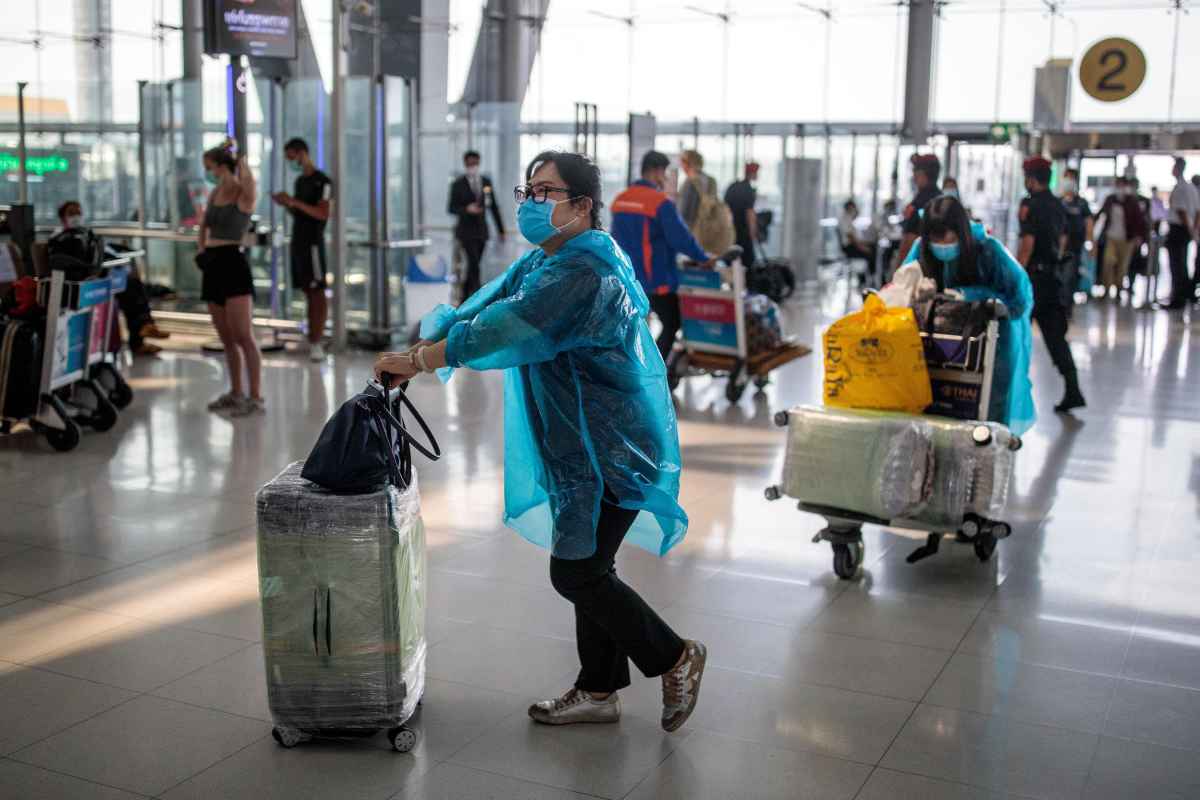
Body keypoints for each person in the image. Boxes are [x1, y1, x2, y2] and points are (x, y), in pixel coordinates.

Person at [374, 150, 706, 733]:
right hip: (583, 445)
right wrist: (429, 342)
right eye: (527, 190)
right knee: (591, 565)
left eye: (546, 192)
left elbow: (507, 328)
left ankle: (675, 656)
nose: (531, 202)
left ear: (582, 205)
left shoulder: (584, 272)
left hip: (613, 449)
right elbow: (490, 304)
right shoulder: (550, 259)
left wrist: (422, 359)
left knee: (576, 572)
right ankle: (599, 688)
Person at [902, 195, 1035, 435]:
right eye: (934, 237)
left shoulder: (989, 252)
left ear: (961, 231)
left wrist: (974, 296)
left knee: (986, 416)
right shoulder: (921, 251)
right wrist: (913, 289)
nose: (941, 243)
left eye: (948, 236)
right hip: (932, 348)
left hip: (988, 351)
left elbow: (1019, 300)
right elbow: (899, 288)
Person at [610, 150, 711, 360]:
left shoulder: (620, 200)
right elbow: (680, 238)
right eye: (664, 173)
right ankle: (655, 368)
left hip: (626, 277)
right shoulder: (659, 203)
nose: (664, 178)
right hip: (655, 280)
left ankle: (635, 367)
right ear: (656, 172)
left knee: (634, 327)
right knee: (673, 322)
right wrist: (703, 258)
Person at [54, 201, 170, 356]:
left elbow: (104, 252)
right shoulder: (59, 238)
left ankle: (144, 328)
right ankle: (142, 330)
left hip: (99, 276)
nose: (76, 216)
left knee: (132, 284)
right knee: (131, 286)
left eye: (78, 212)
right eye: (71, 213)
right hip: (83, 280)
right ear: (63, 217)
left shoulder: (86, 234)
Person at [198, 140, 262, 416]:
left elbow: (250, 183)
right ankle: (236, 392)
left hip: (233, 262)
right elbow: (203, 226)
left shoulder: (242, 193)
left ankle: (255, 396)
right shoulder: (213, 194)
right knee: (226, 337)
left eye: (209, 167)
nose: (207, 172)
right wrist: (201, 252)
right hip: (212, 263)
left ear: (221, 166)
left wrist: (241, 159)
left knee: (243, 335)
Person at [1017, 156, 1085, 413]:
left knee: (1016, 335)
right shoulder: (1058, 205)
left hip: (1033, 279)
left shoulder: (1030, 205)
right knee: (1056, 338)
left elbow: (1027, 245)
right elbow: (1063, 239)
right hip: (1052, 279)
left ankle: (1011, 392)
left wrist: (1016, 276)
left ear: (1031, 179)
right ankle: (1073, 388)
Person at [271, 138, 333, 362]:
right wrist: (287, 204)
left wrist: (294, 203)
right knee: (308, 291)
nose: (291, 163)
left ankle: (317, 342)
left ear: (302, 153)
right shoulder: (300, 182)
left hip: (313, 244)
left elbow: (322, 213)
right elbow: (301, 213)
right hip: (298, 241)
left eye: (292, 157)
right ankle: (312, 337)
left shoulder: (323, 182)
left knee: (317, 293)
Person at [447, 150, 506, 302]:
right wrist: (467, 209)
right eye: (469, 163)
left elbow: (493, 207)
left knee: (474, 265)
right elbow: (451, 208)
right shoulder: (457, 184)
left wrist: (501, 230)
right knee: (474, 265)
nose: (472, 166)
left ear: (478, 163)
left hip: (481, 232)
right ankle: (479, 299)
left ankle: (464, 299)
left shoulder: (486, 182)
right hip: (465, 232)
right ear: (465, 164)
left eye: (474, 163)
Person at [1092, 176, 1146, 301]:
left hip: (1127, 239)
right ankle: (1106, 288)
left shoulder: (1132, 202)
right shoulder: (1110, 199)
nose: (1120, 188)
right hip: (1111, 236)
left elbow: (1139, 221)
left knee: (1122, 266)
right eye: (1118, 185)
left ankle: (1118, 289)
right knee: (1108, 261)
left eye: (1122, 185)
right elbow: (1101, 213)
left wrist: (1139, 237)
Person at [1164, 158, 1200, 309]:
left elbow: (1181, 212)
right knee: (1182, 263)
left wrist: (1190, 229)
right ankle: (1184, 294)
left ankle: (1178, 298)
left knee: (1177, 265)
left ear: (1178, 168)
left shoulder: (1180, 188)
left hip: (1178, 229)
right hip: (1186, 229)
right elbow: (1198, 212)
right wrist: (1193, 229)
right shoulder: (1192, 188)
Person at [895, 153, 942, 266]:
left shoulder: (920, 203)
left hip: (918, 266)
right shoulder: (942, 199)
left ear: (921, 174)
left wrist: (898, 272)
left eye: (915, 172)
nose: (913, 177)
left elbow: (910, 239)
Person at [1059, 168, 1094, 291]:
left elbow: (1089, 222)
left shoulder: (1081, 203)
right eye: (1066, 178)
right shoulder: (1058, 202)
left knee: (1070, 277)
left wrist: (1090, 243)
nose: (1068, 181)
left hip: (1075, 246)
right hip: (1058, 247)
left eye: (1071, 178)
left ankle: (1067, 305)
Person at [723, 162, 760, 262]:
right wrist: (753, 232)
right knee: (747, 260)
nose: (758, 175)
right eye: (756, 172)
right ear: (752, 173)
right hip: (743, 231)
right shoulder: (748, 190)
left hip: (731, 230)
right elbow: (750, 213)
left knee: (731, 259)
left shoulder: (733, 186)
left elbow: (725, 209)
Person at [838, 200, 877, 283]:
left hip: (852, 245)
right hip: (849, 248)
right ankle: (868, 278)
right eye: (854, 208)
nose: (856, 210)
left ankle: (870, 276)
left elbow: (855, 238)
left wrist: (866, 243)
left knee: (873, 246)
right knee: (871, 252)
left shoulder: (849, 219)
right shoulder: (845, 219)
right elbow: (851, 238)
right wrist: (863, 248)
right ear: (850, 208)